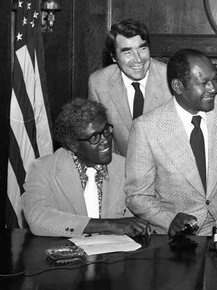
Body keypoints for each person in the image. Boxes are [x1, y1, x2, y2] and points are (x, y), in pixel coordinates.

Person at [125, 49, 217, 237]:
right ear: (178, 86)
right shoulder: (146, 128)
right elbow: (137, 196)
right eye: (203, 83)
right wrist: (169, 219)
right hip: (180, 239)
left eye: (214, 80)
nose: (213, 88)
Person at [23, 98, 149, 237]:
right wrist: (109, 225)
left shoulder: (128, 168)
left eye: (106, 130)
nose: (105, 140)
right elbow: (38, 217)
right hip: (68, 255)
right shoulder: (43, 169)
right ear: (73, 145)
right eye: (94, 137)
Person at [88, 19, 171, 156]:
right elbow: (100, 138)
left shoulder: (170, 78)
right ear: (114, 57)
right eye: (128, 52)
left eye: (142, 48)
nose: (138, 59)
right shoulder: (98, 83)